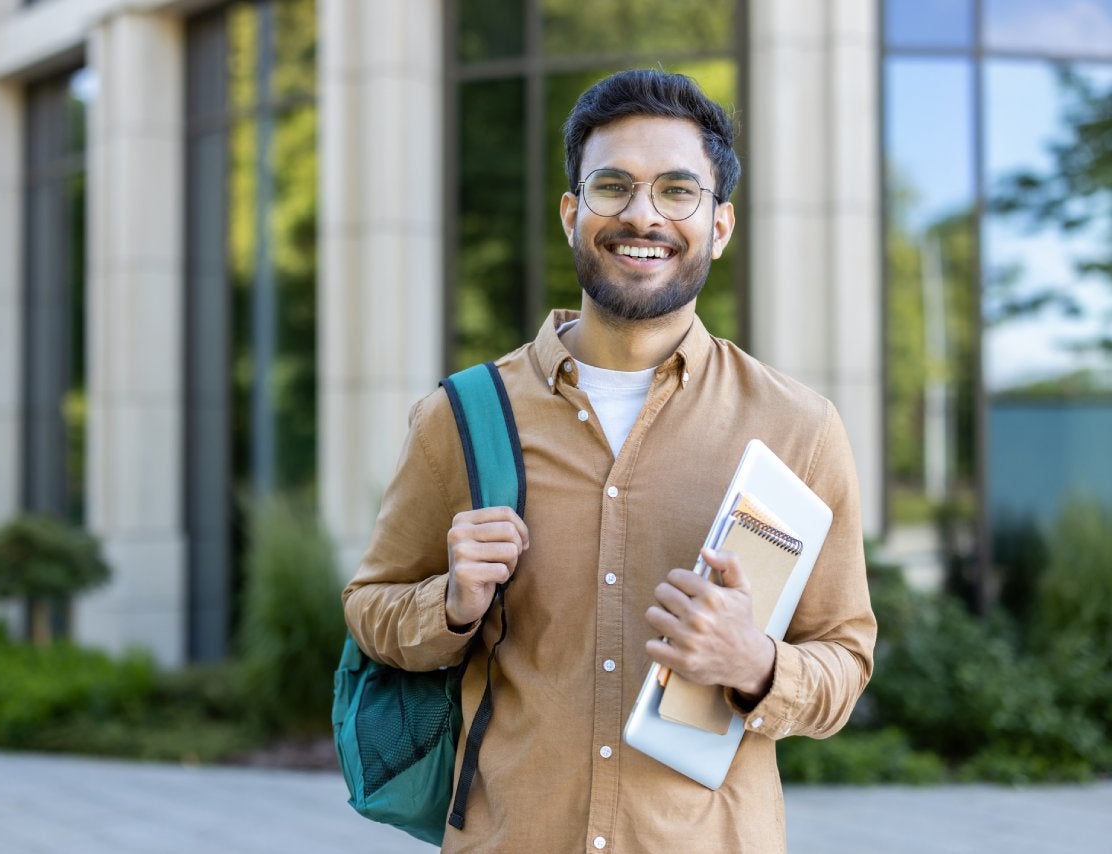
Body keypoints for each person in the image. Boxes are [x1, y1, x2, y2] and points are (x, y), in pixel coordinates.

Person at [342, 69, 876, 853]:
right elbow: (370, 609)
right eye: (613, 185)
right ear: (572, 213)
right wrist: (452, 601)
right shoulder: (460, 418)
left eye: (677, 191)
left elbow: (845, 657)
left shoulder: (797, 429)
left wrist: (755, 661)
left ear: (720, 225)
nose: (642, 214)